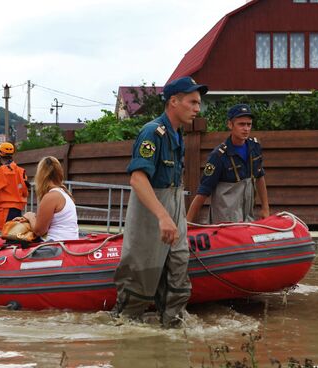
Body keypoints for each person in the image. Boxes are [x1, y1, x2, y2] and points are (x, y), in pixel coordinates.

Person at [112, 76, 207, 328]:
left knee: (178, 280)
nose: (198, 108)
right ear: (173, 102)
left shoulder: (177, 137)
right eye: (193, 102)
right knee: (138, 289)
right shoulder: (152, 132)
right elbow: (138, 179)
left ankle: (171, 342)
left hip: (174, 219)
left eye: (199, 103)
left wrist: (176, 218)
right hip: (150, 221)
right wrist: (163, 216)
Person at [186, 104, 270, 224]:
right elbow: (203, 191)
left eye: (249, 124)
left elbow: (260, 176)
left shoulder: (254, 147)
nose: (246, 128)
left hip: (247, 216)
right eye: (241, 124)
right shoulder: (218, 156)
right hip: (224, 220)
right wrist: (188, 222)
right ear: (230, 125)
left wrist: (265, 208)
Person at [16, 156, 79, 241]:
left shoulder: (51, 196)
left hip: (55, 246)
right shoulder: (64, 193)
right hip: (69, 244)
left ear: (40, 176)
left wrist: (30, 216)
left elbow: (39, 231)